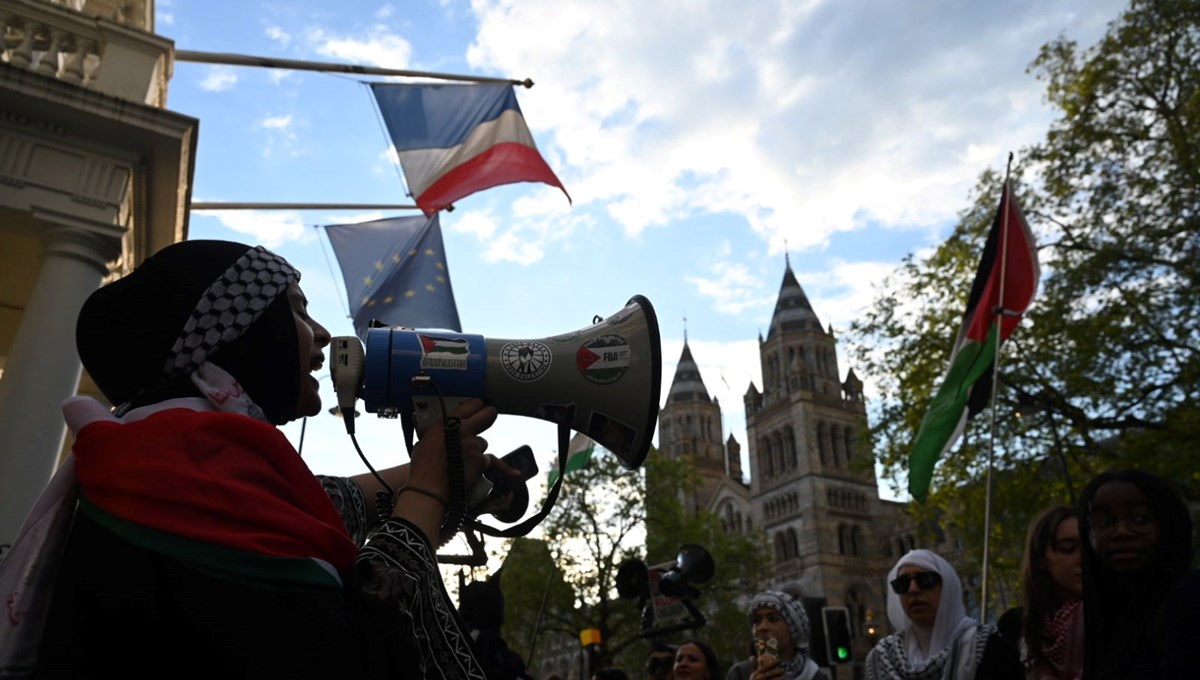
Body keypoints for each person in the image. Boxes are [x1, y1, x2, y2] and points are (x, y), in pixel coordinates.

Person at [22, 241, 506, 678]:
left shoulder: (175, 456)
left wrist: (448, 470)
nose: (321, 335)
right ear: (241, 332)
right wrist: (427, 492)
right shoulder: (186, 471)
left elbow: (333, 502)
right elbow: (353, 644)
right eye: (298, 312)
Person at [1078, 469, 1200, 679]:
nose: (1122, 532)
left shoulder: (1190, 596)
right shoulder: (1105, 613)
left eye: (1140, 518)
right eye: (1104, 522)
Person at [865, 549, 1022, 680]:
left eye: (925, 580)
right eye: (902, 584)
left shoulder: (989, 648)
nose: (913, 590)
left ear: (947, 587)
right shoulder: (881, 658)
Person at [1019, 506, 1082, 680]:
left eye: (1089, 547)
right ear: (1040, 559)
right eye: (1069, 548)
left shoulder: (1114, 618)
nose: (1083, 557)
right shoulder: (1031, 634)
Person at [726, 591, 828, 680]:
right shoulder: (739, 673)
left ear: (793, 630)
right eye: (756, 620)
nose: (762, 627)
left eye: (773, 619)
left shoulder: (816, 676)